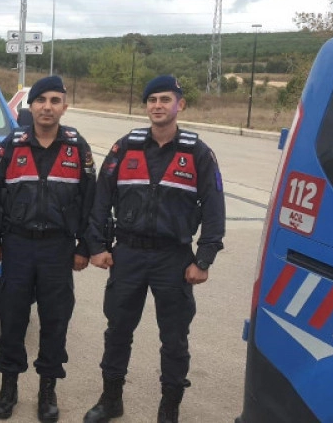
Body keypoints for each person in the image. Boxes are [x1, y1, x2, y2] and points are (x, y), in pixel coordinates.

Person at [83, 75, 226, 423]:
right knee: (118, 330)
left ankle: (169, 408)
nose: (158, 106)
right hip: (128, 254)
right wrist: (97, 246)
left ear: (180, 104)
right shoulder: (125, 147)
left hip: (173, 258)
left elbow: (214, 209)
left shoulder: (198, 153)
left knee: (174, 338)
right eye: (152, 100)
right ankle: (111, 400)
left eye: (165, 99)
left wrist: (204, 259)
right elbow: (100, 200)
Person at [0, 75, 96, 422]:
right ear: (30, 106)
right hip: (17, 245)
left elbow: (90, 201)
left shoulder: (77, 147)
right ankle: (8, 386)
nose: (47, 107)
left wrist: (85, 246)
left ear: (64, 106)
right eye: (41, 100)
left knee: (55, 320)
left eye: (54, 100)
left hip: (58, 248)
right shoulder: (12, 144)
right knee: (12, 318)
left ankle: (48, 389)